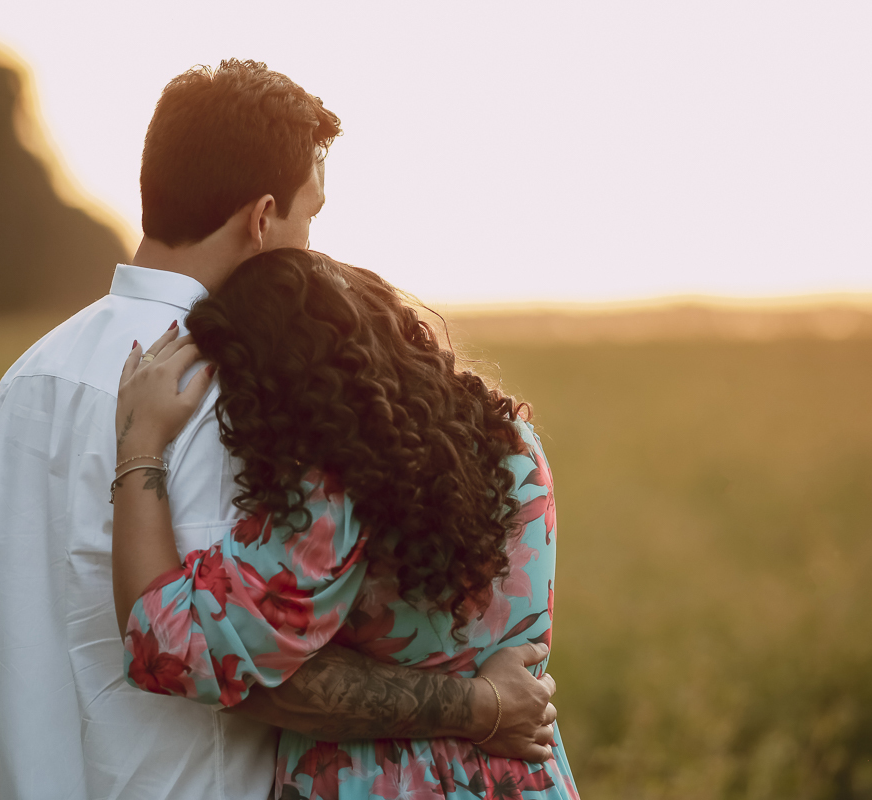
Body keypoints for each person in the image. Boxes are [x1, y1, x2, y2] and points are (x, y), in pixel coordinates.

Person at [0, 60, 556, 799]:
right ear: (261, 218)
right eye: (310, 217)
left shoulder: (24, 382)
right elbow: (246, 663)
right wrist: (482, 705)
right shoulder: (250, 392)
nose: (313, 248)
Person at [109, 249, 579, 799]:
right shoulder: (515, 442)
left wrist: (140, 442)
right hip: (524, 777)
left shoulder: (338, 498)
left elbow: (168, 644)